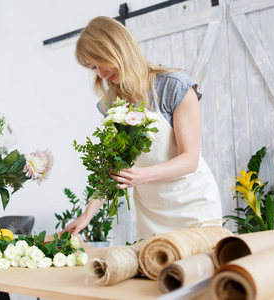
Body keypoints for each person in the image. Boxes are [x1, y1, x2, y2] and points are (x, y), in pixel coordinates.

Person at [63, 16, 222, 240]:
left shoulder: (175, 87)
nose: (99, 73)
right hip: (151, 211)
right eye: (93, 67)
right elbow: (113, 165)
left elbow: (190, 159)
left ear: (117, 49)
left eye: (100, 62)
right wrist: (86, 216)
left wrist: (142, 176)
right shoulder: (110, 102)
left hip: (192, 204)